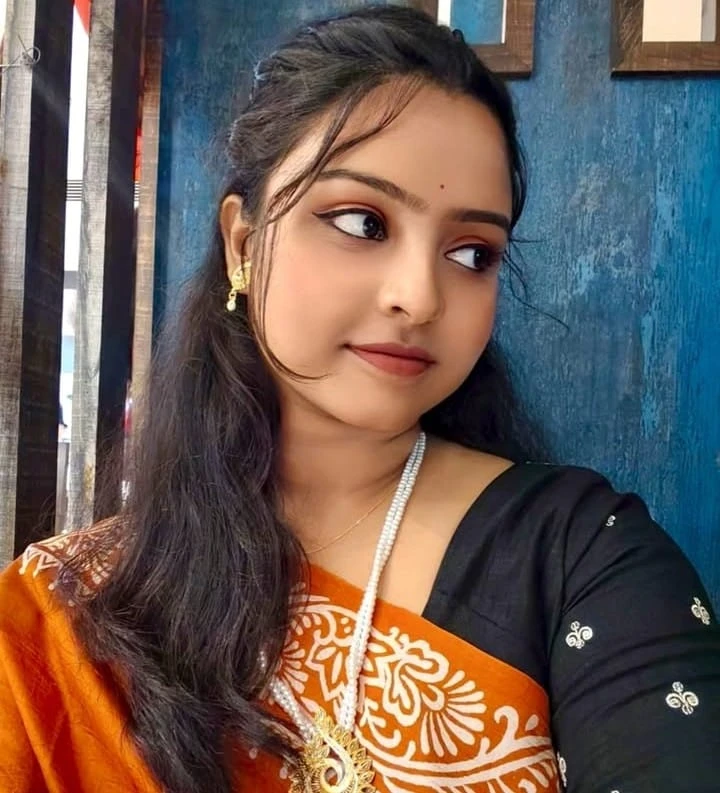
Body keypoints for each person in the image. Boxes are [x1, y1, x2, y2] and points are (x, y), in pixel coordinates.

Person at [1, 6, 718, 793]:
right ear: (243, 242)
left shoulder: (585, 556)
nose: (419, 296)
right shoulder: (65, 612)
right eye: (360, 221)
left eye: (472, 253)